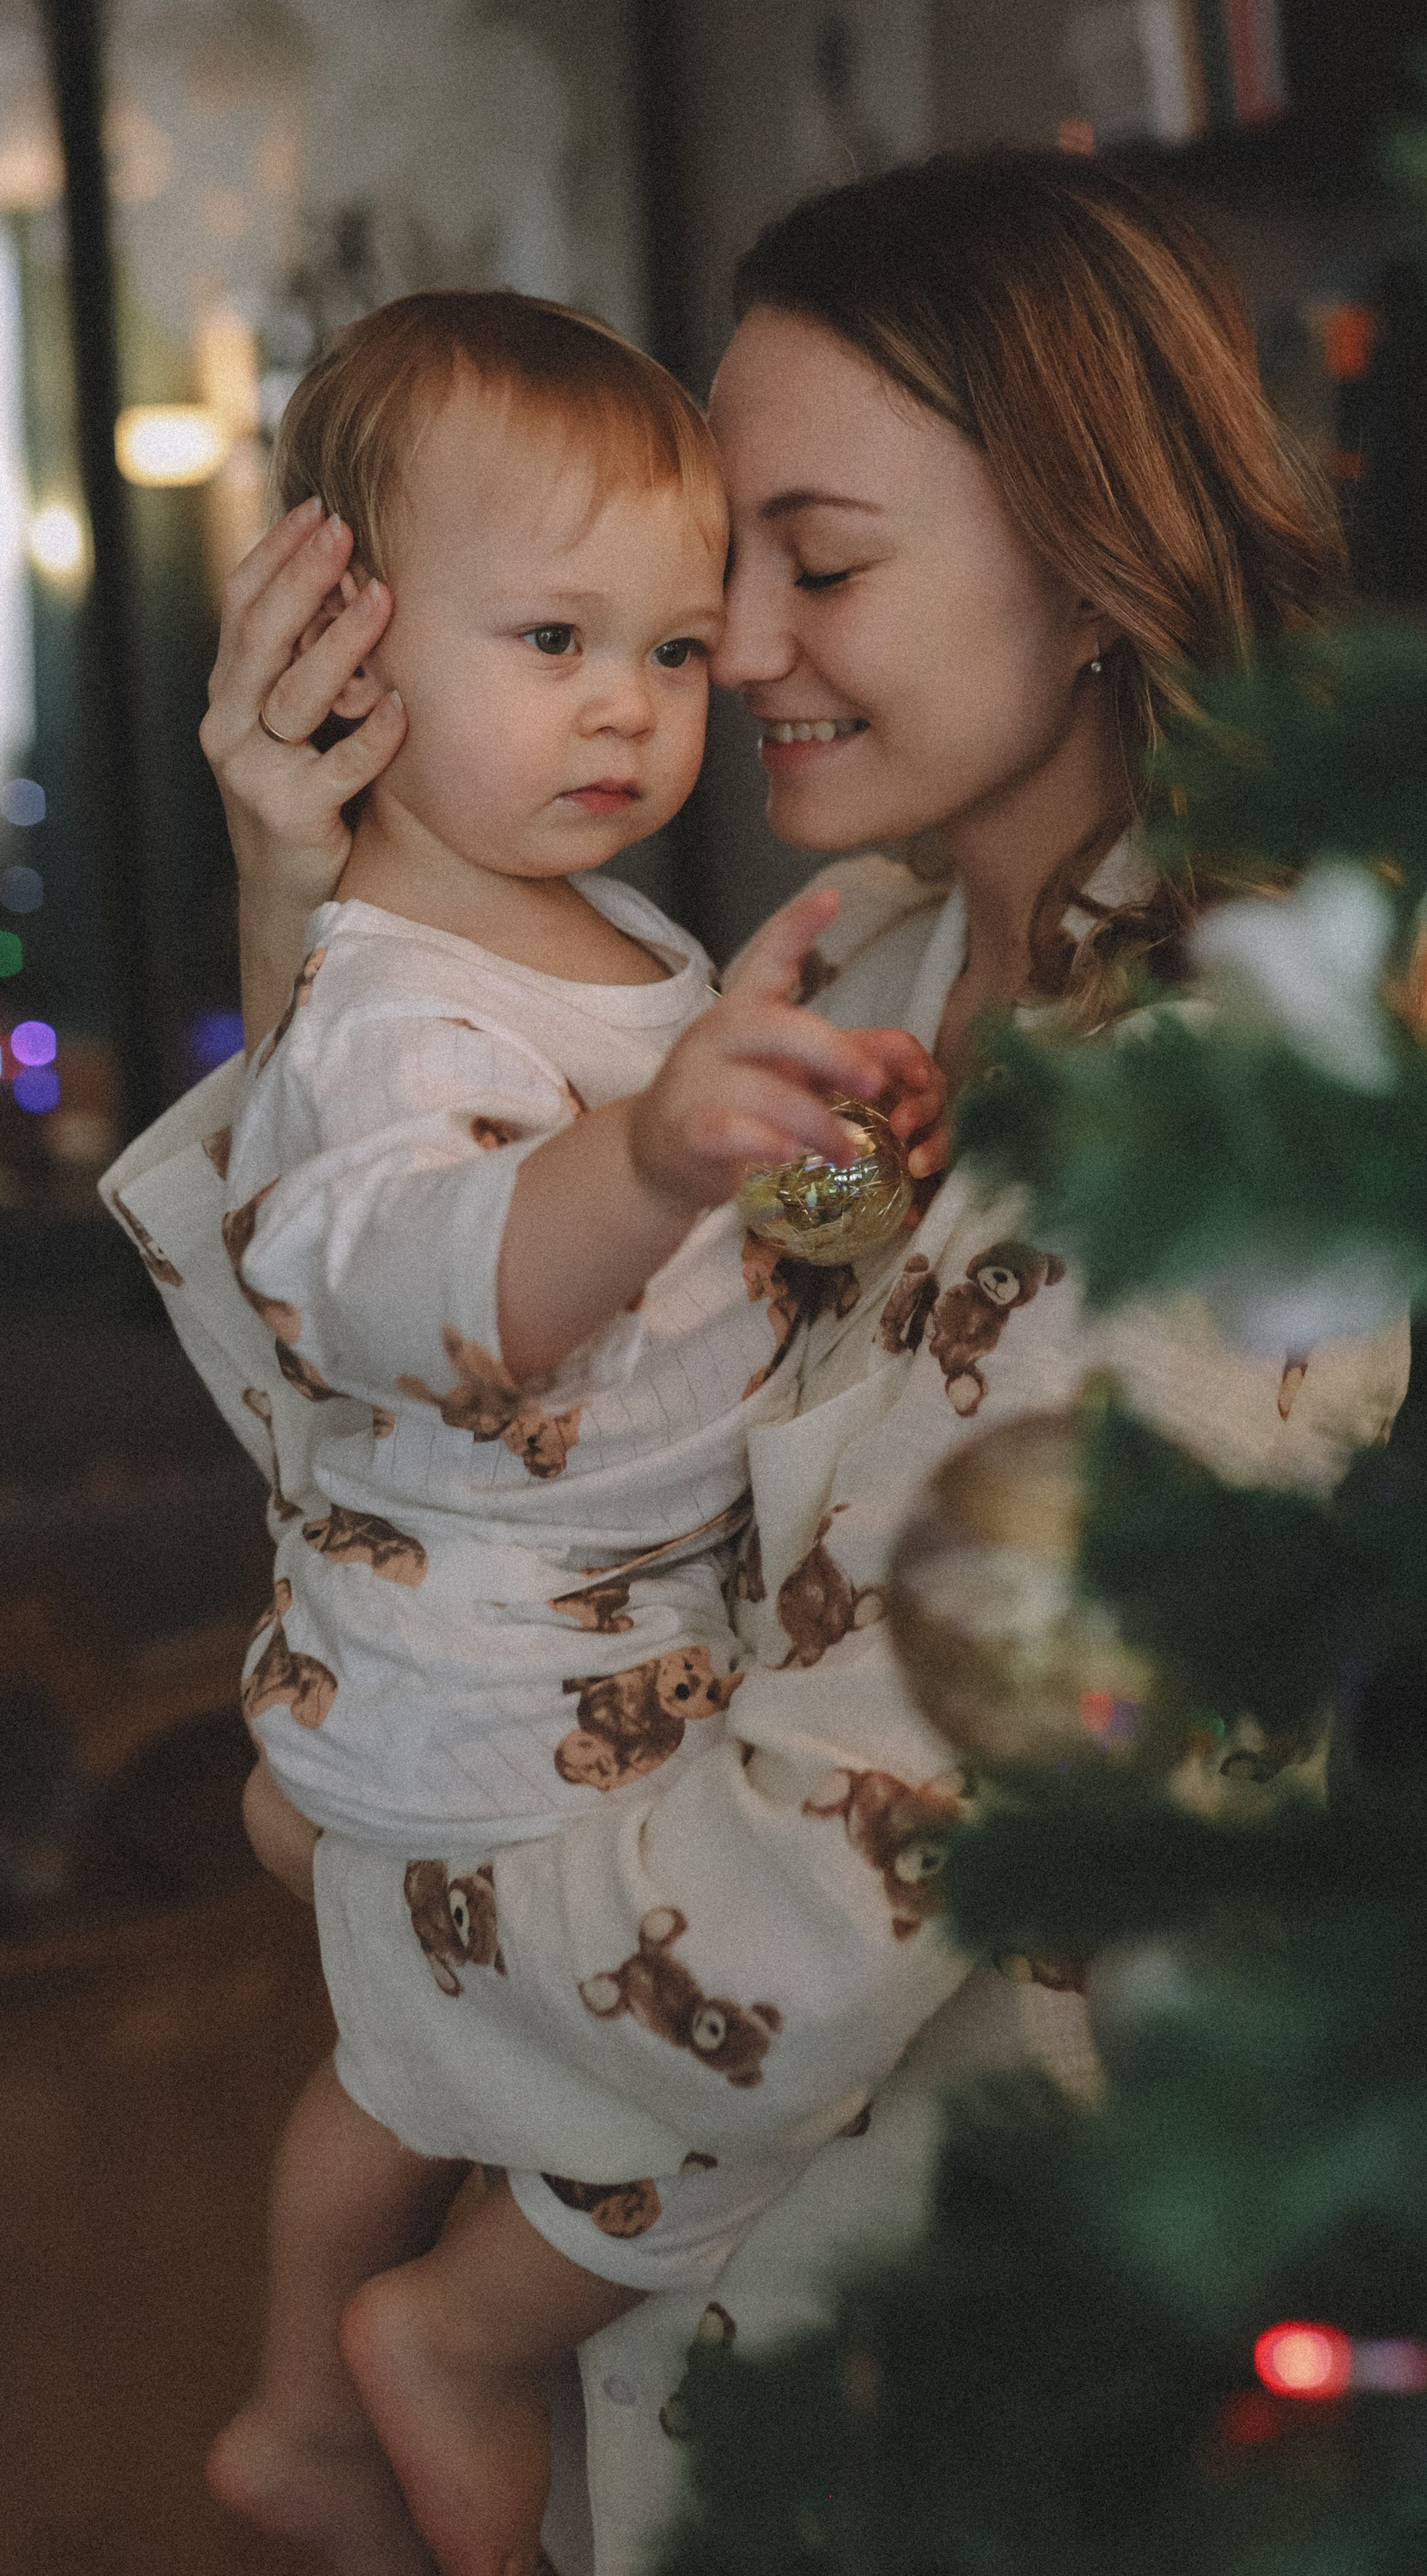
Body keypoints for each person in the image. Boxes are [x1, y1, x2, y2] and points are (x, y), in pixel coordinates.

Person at [104, 150, 1409, 2576]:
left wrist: (371, 1876)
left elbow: (849, 1870)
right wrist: (323, 891)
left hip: (958, 2343)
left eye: (819, 565)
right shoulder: (854, 974)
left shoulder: (1237, 1118)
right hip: (664, 2277)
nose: (733, 647)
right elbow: (419, 1433)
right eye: (725, 577)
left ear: (1091, 566)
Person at [137, 290, 941, 2576]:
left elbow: (709, 1270)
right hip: (513, 1677)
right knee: (712, 2067)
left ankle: (303, 2411)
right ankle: (449, 2341)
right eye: (558, 639)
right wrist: (661, 1153)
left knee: (401, 2063)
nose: (633, 705)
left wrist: (823, 1183)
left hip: (534, 1636)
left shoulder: (607, 936)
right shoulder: (391, 996)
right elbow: (419, 1288)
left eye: (673, 652)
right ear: (352, 644)